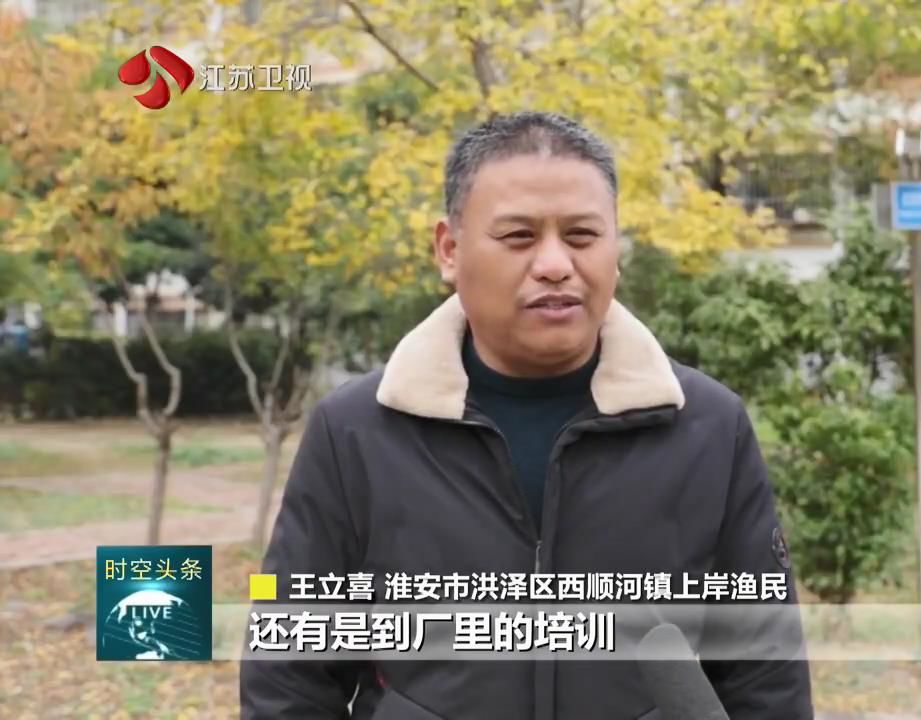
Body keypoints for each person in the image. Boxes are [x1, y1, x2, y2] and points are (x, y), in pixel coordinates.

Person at [240, 110, 813, 719]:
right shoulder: (355, 430)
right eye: (519, 237)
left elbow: (764, 676)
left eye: (582, 236)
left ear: (616, 250)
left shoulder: (707, 427)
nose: (555, 264)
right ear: (449, 250)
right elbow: (288, 678)